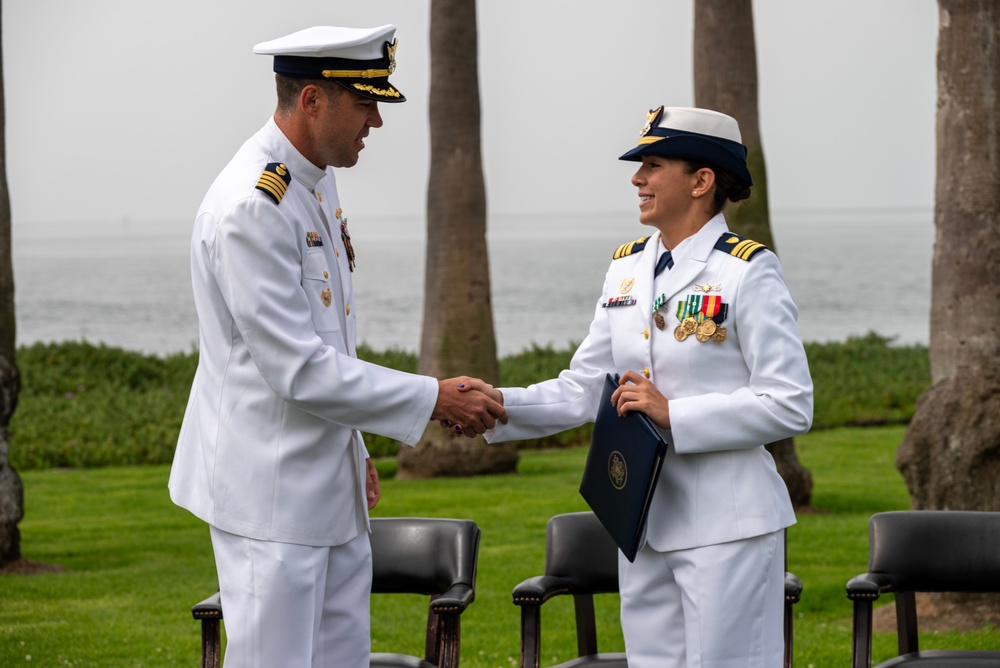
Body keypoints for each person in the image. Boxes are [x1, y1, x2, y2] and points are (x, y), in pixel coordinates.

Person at [168, 25, 506, 667]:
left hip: (328, 488)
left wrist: (351, 453)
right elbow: (297, 369)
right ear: (313, 102)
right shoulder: (253, 206)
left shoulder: (313, 181)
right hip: (271, 498)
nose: (376, 120)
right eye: (365, 102)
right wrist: (433, 398)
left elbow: (331, 342)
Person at [469, 106, 813, 667]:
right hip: (643, 518)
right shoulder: (626, 270)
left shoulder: (748, 272)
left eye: (653, 165)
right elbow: (587, 387)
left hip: (726, 526)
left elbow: (790, 403)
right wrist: (499, 406)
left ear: (702, 181)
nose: (637, 179)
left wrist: (674, 414)